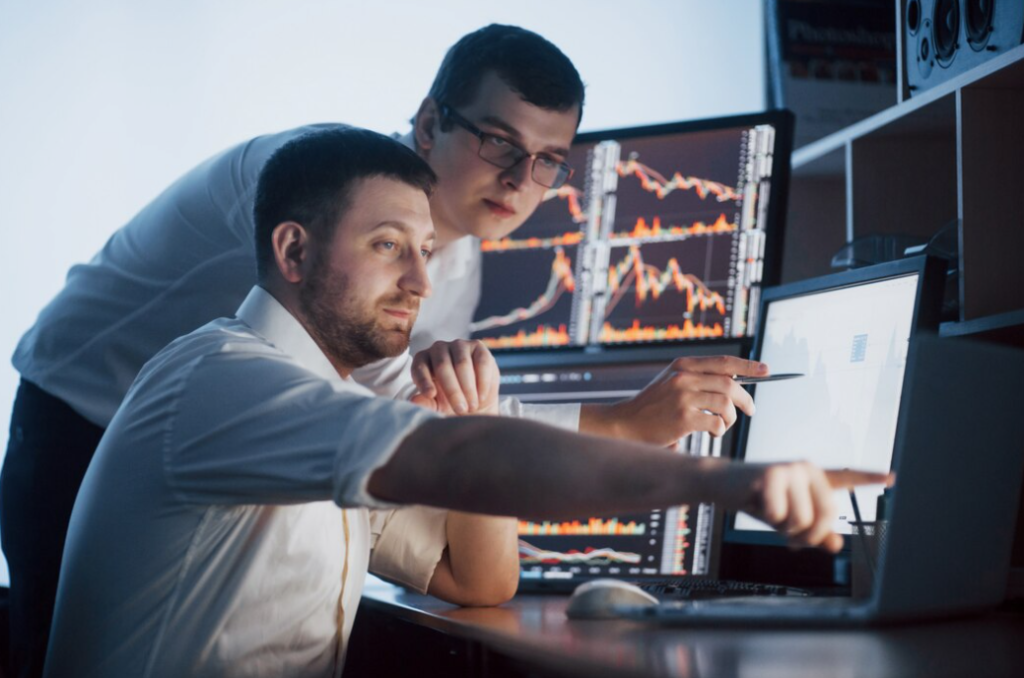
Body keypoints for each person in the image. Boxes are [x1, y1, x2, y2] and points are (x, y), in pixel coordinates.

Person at [4, 24, 758, 678]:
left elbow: (434, 423)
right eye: (500, 142)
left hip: (279, 452)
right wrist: (628, 428)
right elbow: (428, 427)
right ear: (431, 123)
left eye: (548, 161)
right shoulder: (306, 187)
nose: (520, 181)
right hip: (85, 422)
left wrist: (478, 436)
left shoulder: (449, 266)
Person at [44, 127, 887, 678]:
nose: (419, 281)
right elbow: (454, 462)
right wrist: (733, 483)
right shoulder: (227, 380)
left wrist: (476, 421)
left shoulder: (319, 404)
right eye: (386, 247)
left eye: (423, 250)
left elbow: (473, 581)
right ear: (293, 251)